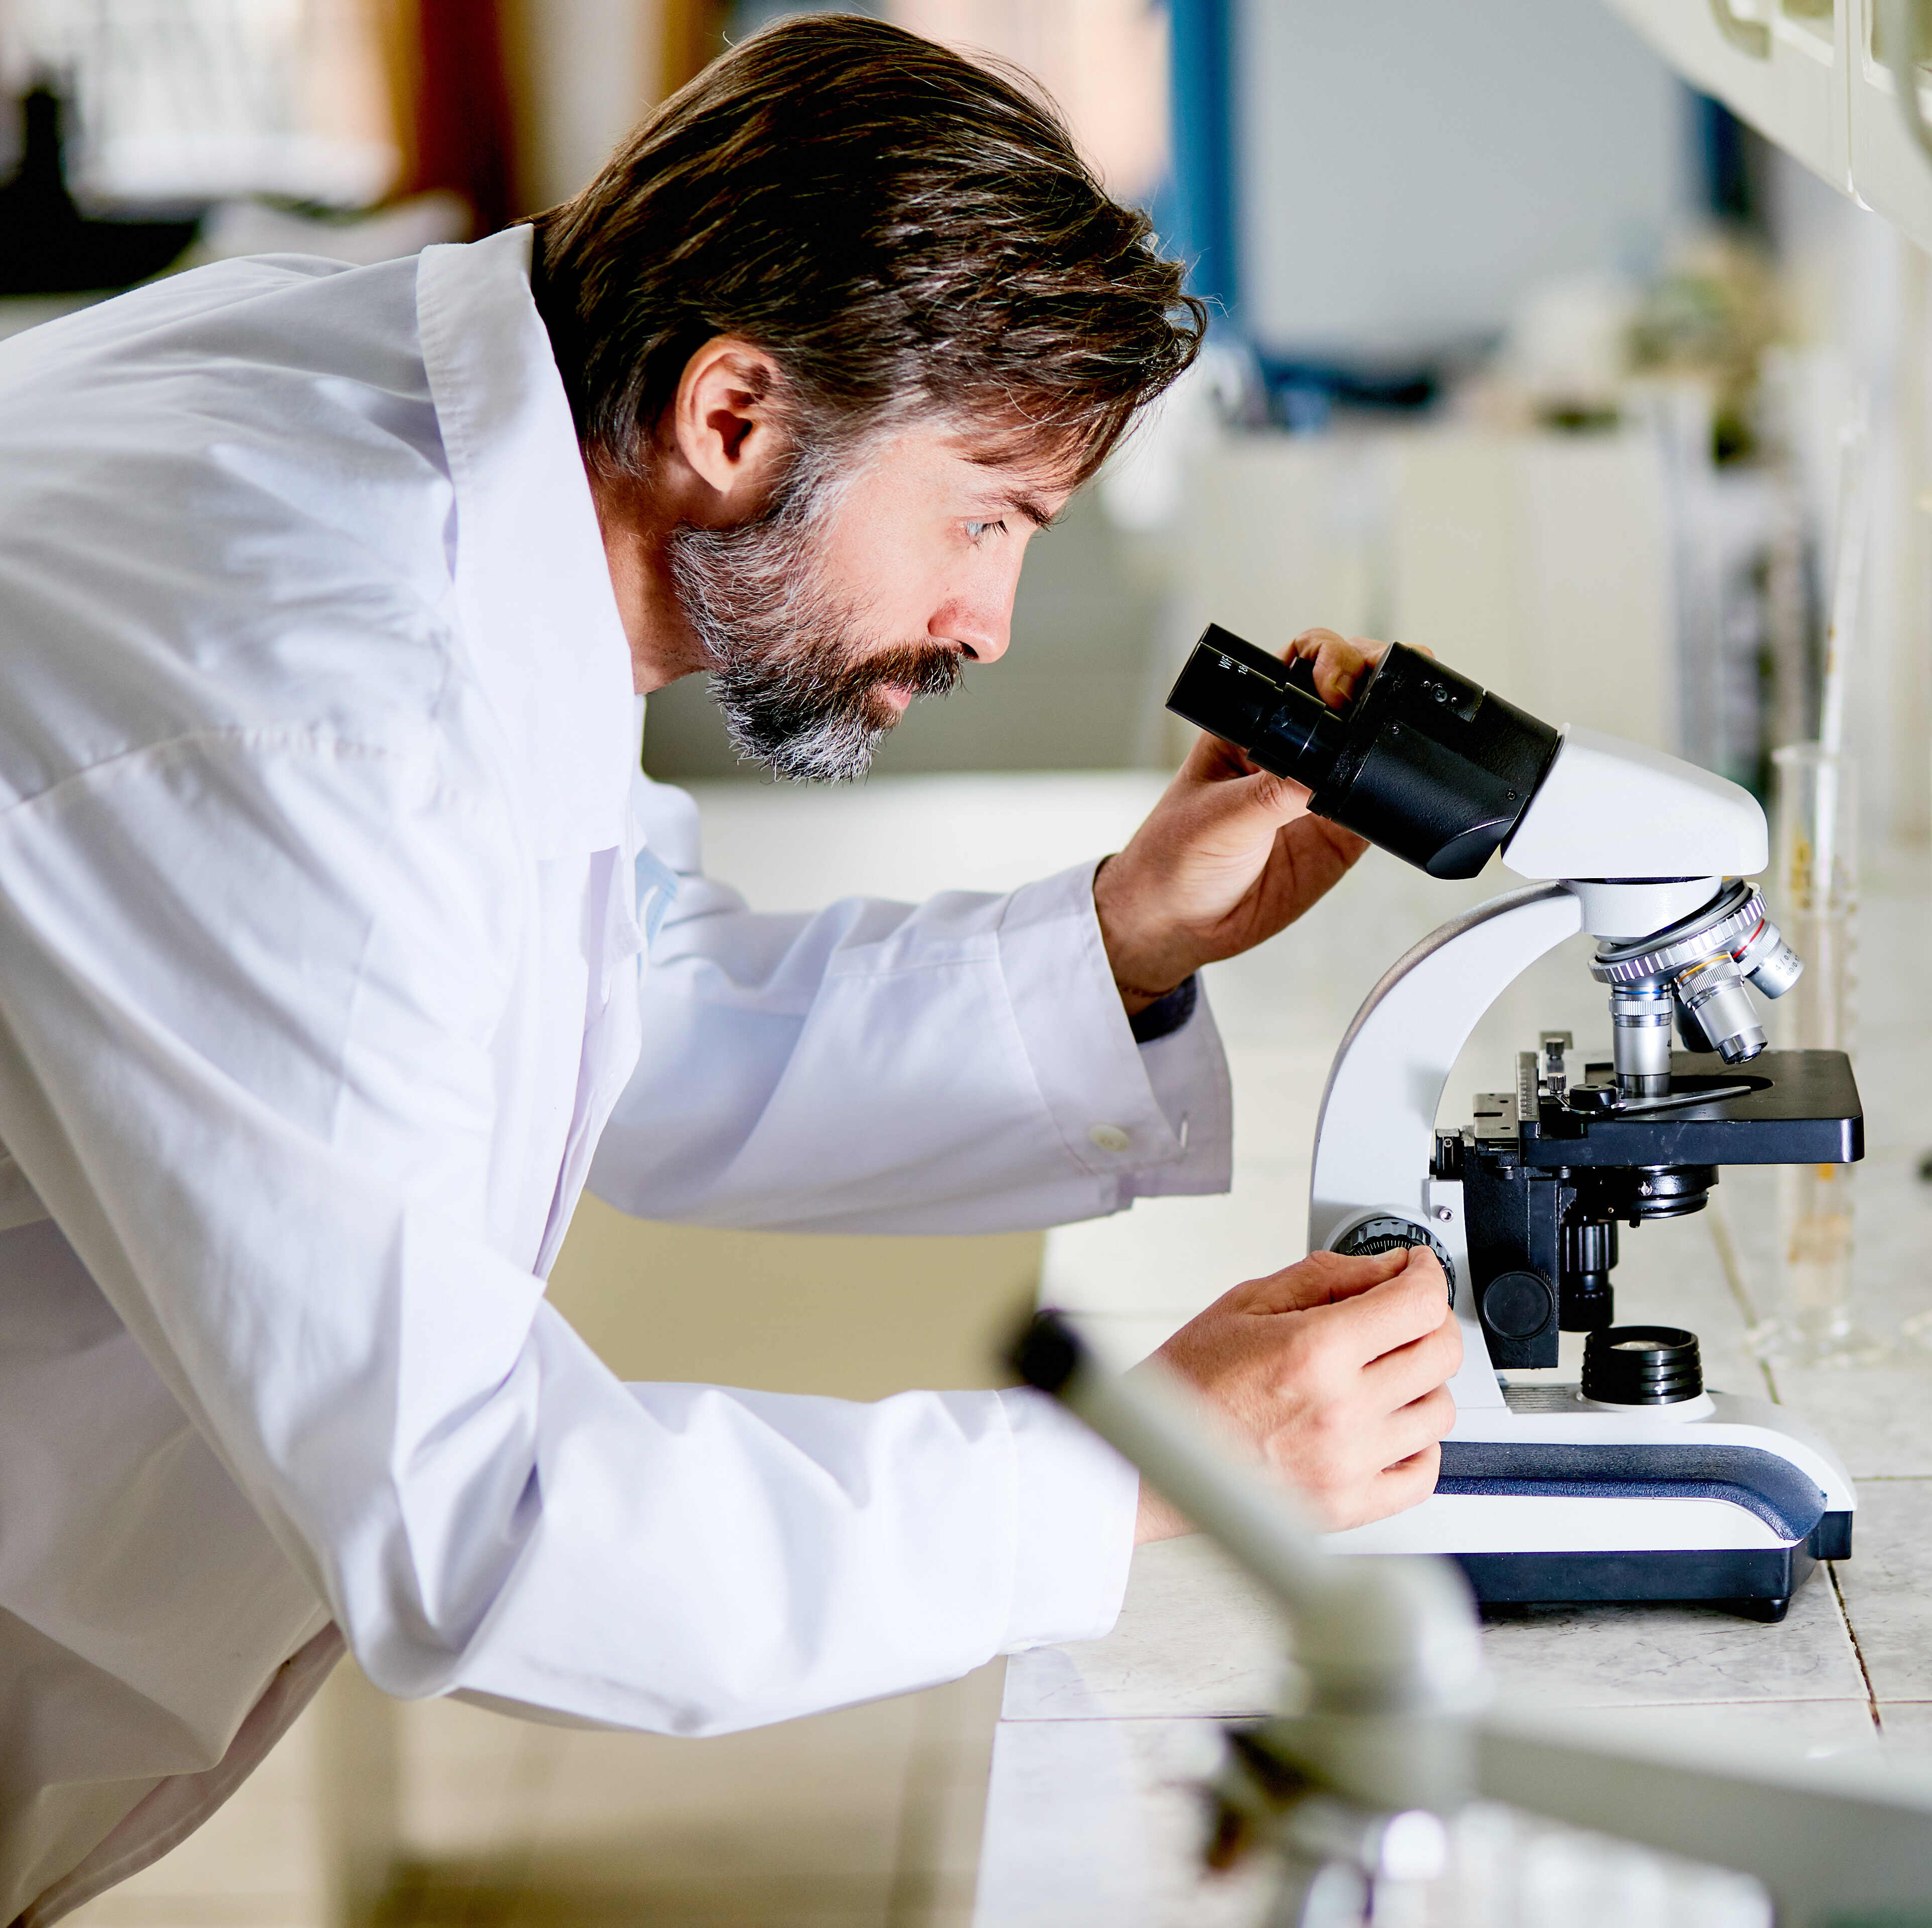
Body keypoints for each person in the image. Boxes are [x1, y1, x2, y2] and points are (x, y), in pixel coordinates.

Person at [0, 16, 1461, 1921]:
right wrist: (1137, 1471)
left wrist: (1128, 931)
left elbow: (609, 997)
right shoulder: (314, 695)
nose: (990, 621)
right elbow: (479, 1524)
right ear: (735, 416)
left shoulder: (444, 457)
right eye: (982, 516)